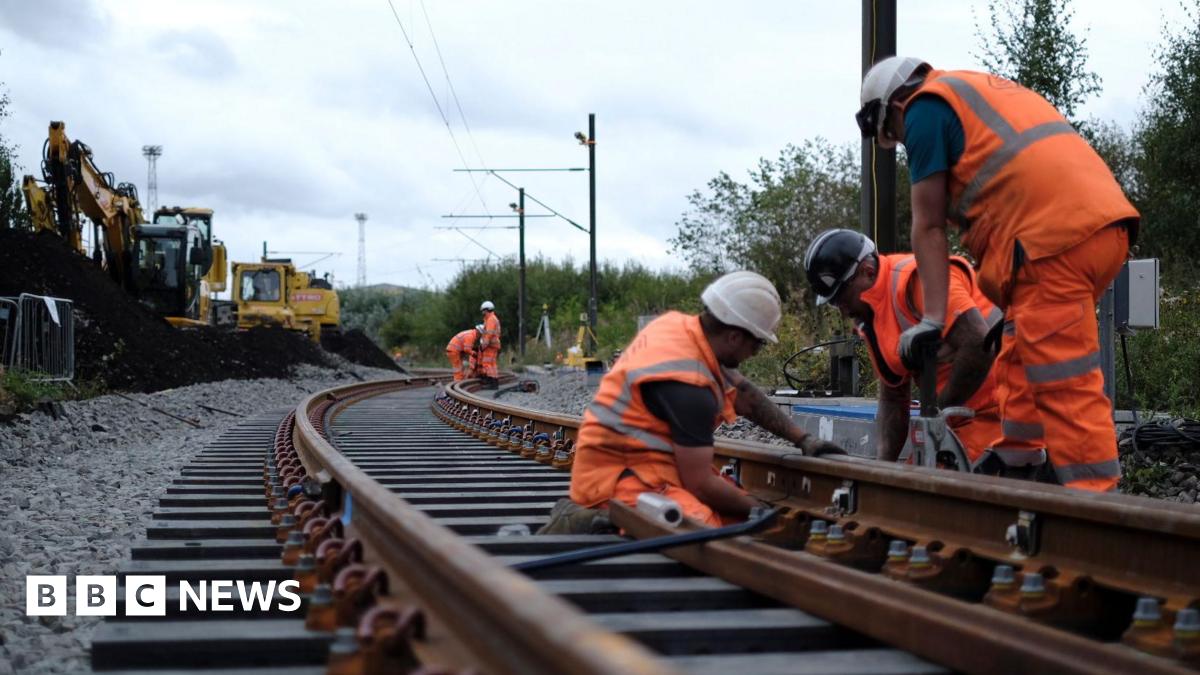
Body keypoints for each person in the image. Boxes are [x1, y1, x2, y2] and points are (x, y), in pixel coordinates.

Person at [856, 56, 1138, 491]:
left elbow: (927, 224)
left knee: (1066, 385)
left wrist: (933, 319)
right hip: (1099, 229)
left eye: (893, 134)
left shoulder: (924, 108)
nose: (903, 141)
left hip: (1049, 245)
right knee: (1019, 353)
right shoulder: (973, 89)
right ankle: (1018, 463)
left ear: (893, 106)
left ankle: (1099, 508)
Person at [569, 271, 846, 527]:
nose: (755, 352)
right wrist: (763, 512)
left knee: (733, 515)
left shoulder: (676, 328)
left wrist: (805, 440)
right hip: (615, 480)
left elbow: (745, 394)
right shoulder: (690, 387)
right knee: (703, 527)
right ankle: (587, 520)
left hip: (646, 464)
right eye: (758, 343)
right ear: (734, 337)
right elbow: (700, 484)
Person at [804, 229, 1043, 467]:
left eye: (843, 297)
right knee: (905, 491)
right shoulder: (870, 319)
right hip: (957, 421)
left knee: (926, 497)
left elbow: (978, 344)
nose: (843, 311)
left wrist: (936, 414)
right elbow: (894, 398)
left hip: (1004, 411)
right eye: (835, 303)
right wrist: (882, 470)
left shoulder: (917, 279)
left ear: (867, 272)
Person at [478, 300, 501, 388]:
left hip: (490, 345)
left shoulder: (491, 319)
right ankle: (494, 382)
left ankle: (492, 383)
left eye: (483, 310)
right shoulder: (493, 318)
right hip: (494, 344)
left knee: (486, 363)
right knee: (492, 364)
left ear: (486, 310)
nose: (482, 312)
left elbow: (489, 334)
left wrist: (484, 345)